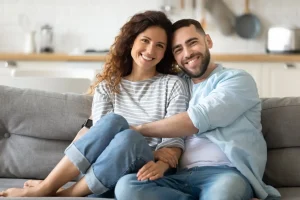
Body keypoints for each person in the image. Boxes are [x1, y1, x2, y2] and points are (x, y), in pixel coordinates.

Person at [0, 11, 190, 198]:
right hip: (103, 167)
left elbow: (174, 140)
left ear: (165, 52)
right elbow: (101, 138)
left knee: (129, 137)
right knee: (113, 122)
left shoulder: (172, 85)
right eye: (145, 40)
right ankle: (49, 187)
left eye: (159, 45)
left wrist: (162, 163)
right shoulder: (107, 87)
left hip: (148, 169)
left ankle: (58, 193)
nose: (150, 50)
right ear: (132, 41)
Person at [115, 19, 281, 200]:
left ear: (208, 41)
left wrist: (139, 129)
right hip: (179, 176)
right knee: (127, 187)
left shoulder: (237, 80)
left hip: (226, 174)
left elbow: (197, 119)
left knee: (221, 194)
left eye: (192, 43)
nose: (187, 53)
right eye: (178, 49)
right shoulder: (175, 85)